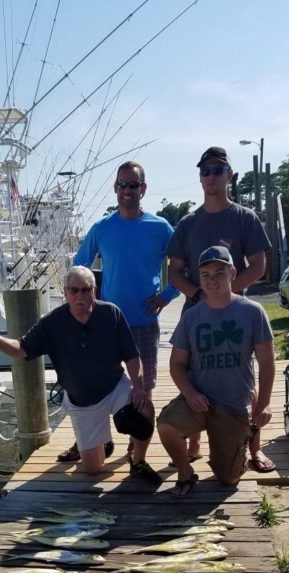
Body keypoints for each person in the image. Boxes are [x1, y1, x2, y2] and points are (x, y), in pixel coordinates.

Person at [0, 266, 154, 477]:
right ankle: (102, 443)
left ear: (94, 291)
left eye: (85, 290)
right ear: (65, 293)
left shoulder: (111, 313)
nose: (80, 296)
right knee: (92, 469)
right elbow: (21, 348)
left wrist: (139, 388)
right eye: (74, 290)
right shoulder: (52, 322)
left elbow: (132, 356)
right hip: (82, 400)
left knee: (145, 407)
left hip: (114, 386)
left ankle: (139, 460)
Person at [167, 145, 275, 473]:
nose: (211, 176)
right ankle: (196, 440)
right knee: (197, 370)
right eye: (205, 171)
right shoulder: (188, 222)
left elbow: (259, 266)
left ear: (229, 175)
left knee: (244, 376)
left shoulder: (245, 218)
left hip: (236, 310)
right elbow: (174, 271)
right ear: (200, 178)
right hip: (198, 310)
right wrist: (202, 295)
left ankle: (253, 448)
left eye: (217, 170)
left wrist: (230, 293)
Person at [72, 160, 178, 484]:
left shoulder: (160, 227)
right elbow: (79, 265)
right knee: (99, 382)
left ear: (143, 189)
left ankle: (138, 448)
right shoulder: (102, 228)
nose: (127, 190)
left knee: (142, 388)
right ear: (115, 188)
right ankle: (95, 439)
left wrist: (167, 294)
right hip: (106, 324)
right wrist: (89, 300)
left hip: (144, 322)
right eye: (122, 185)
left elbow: (181, 264)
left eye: (133, 185)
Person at [157, 245, 275, 496]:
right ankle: (184, 470)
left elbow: (266, 361)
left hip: (233, 404)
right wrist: (189, 394)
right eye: (205, 275)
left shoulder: (253, 312)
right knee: (166, 426)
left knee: (228, 479)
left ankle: (242, 447)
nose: (212, 280)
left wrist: (264, 403)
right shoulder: (191, 317)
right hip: (199, 400)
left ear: (232, 273)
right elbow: (176, 364)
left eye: (219, 273)